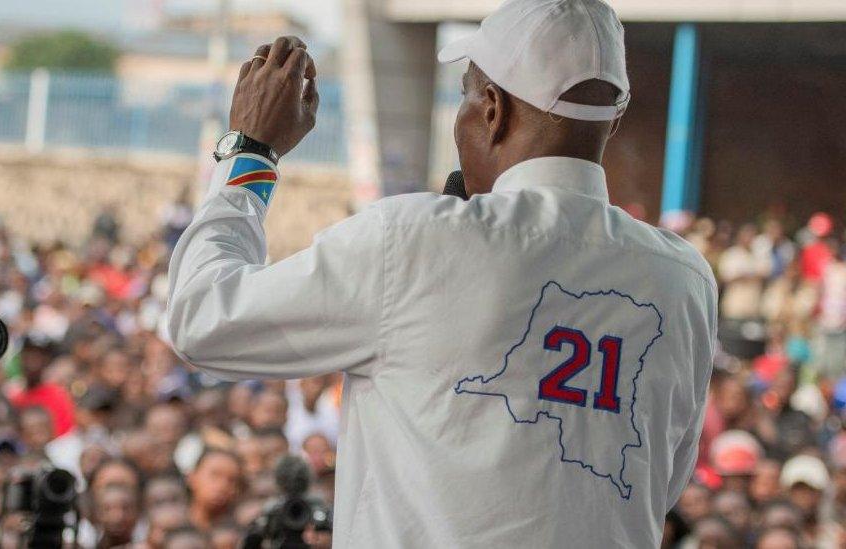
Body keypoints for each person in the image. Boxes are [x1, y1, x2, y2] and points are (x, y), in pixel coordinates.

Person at [166, 0, 717, 546]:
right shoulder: (682, 279)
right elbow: (658, 482)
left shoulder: (412, 241)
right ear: (613, 119)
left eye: (465, 95)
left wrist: (251, 150)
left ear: (494, 108)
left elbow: (203, 316)